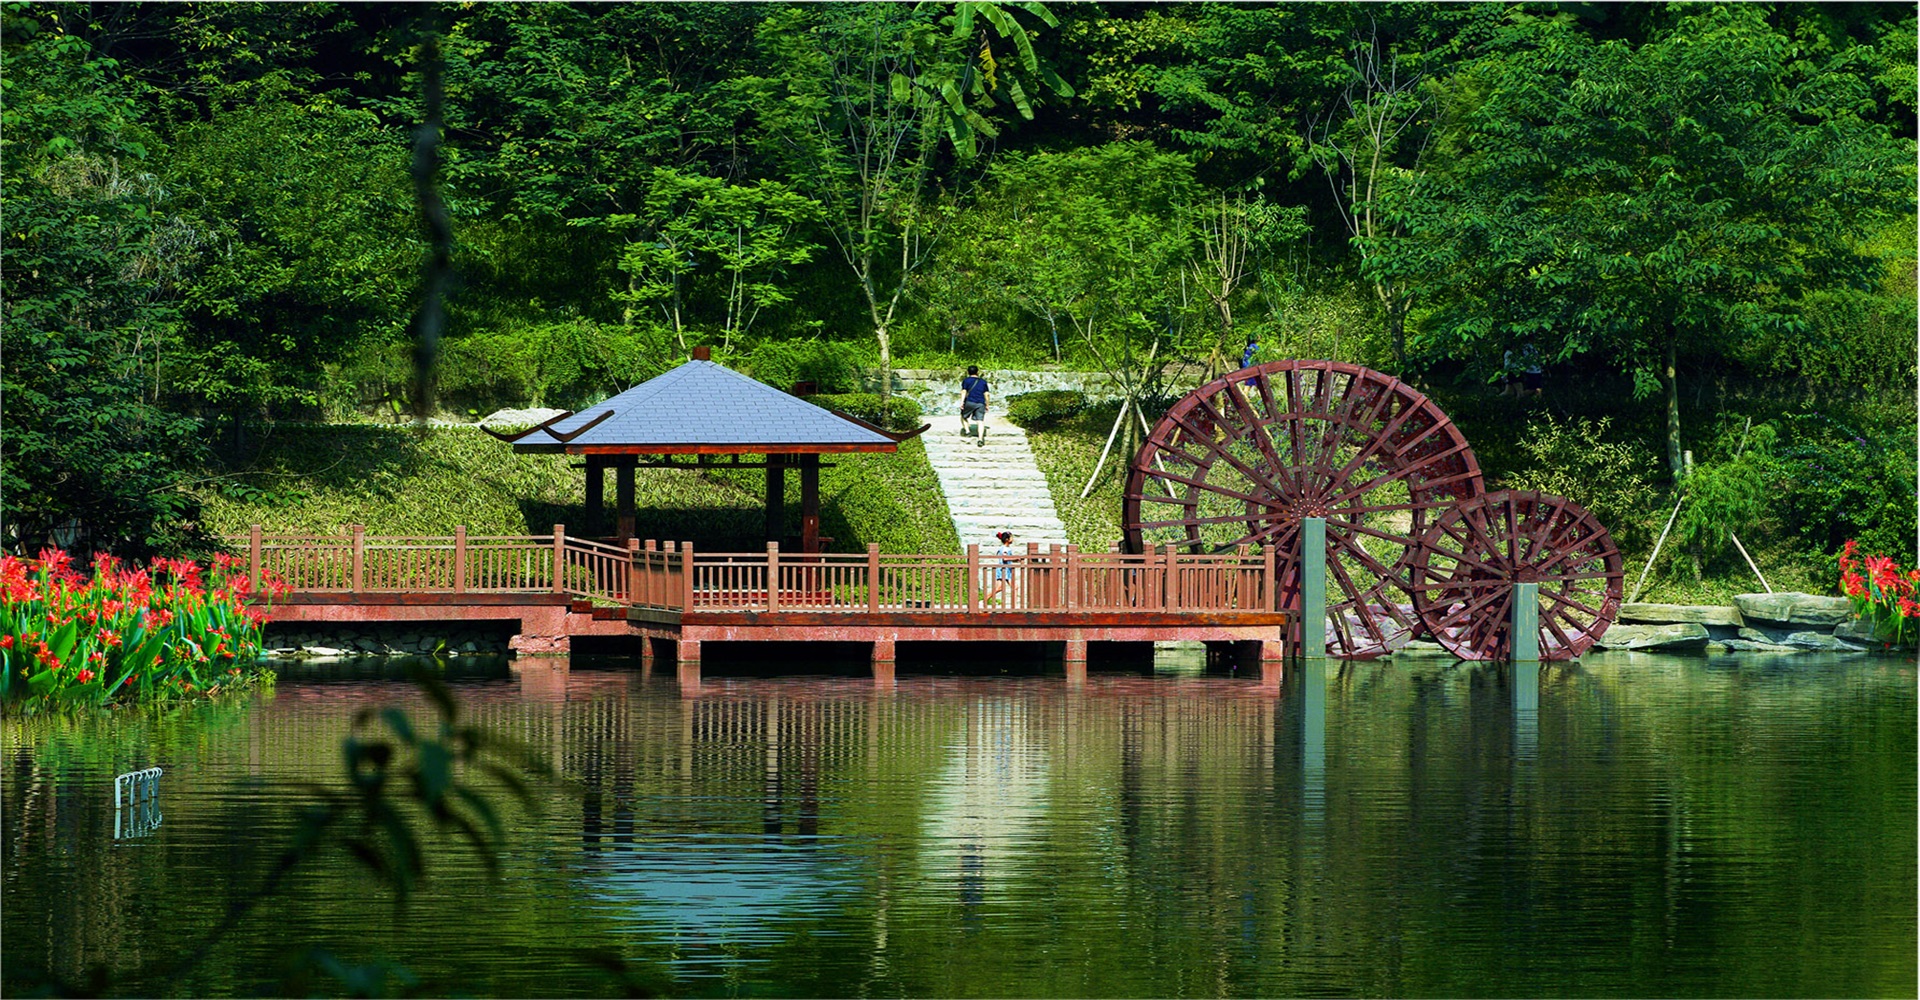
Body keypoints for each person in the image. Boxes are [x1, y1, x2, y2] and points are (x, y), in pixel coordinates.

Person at [959, 365, 990, 444]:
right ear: (977, 372)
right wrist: (987, 404)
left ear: (968, 372)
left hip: (969, 402)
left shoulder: (966, 381)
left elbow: (964, 391)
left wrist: (962, 402)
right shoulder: (983, 382)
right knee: (980, 421)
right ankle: (980, 439)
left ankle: (967, 431)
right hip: (980, 403)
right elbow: (987, 394)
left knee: (963, 416)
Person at [985, 530, 1016, 606]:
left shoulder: (1006, 548)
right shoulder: (1004, 549)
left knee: (1013, 587)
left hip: (1006, 570)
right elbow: (1005, 558)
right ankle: (983, 600)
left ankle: (1014, 605)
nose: (1013, 539)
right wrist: (1016, 559)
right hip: (1003, 570)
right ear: (1007, 539)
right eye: (1011, 537)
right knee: (1001, 587)